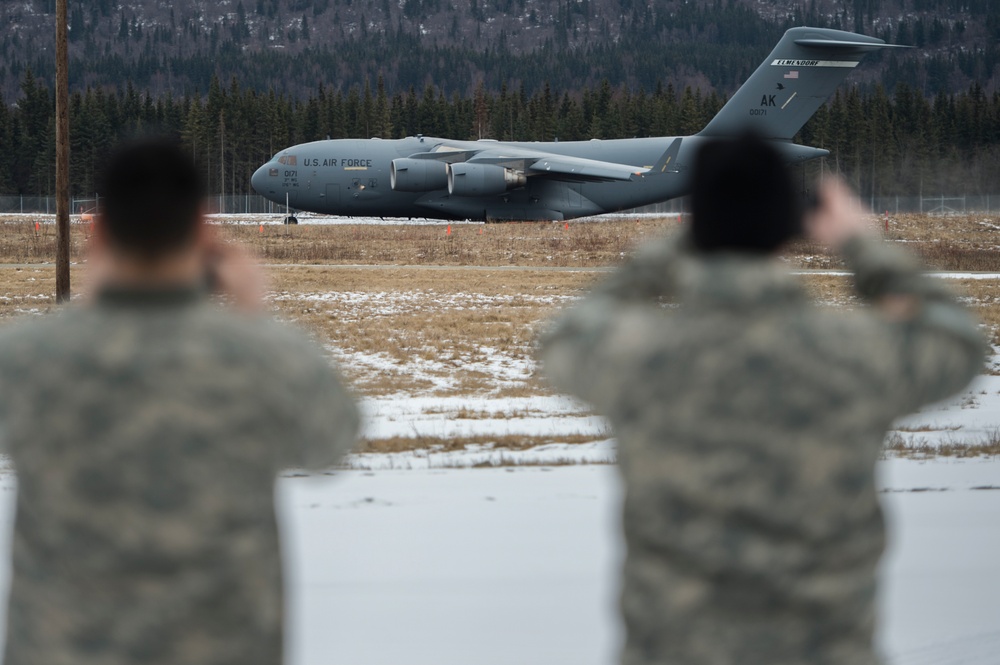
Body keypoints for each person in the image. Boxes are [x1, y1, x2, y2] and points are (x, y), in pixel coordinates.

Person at [539, 133, 984, 665]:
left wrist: (667, 248)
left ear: (698, 226)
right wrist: (864, 247)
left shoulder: (644, 357)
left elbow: (565, 337)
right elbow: (957, 339)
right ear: (788, 225)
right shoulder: (852, 356)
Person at [0, 138, 359, 665]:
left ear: (96, 232)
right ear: (204, 229)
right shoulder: (264, 360)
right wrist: (253, 316)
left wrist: (85, 313)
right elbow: (331, 442)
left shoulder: (28, 359)